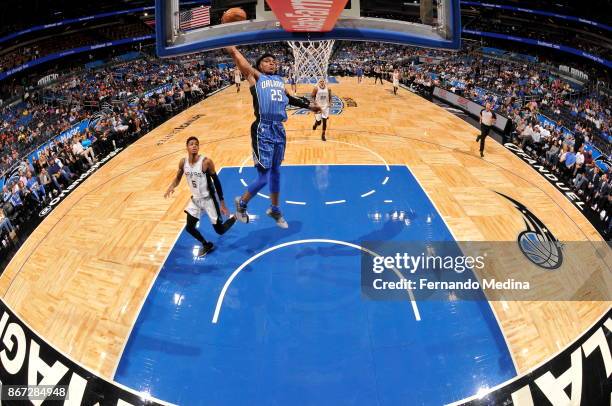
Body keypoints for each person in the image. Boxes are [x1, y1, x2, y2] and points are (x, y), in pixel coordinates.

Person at [224, 46, 321, 228]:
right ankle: (242, 203)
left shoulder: (278, 80)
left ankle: (275, 209)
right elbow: (244, 66)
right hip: (262, 128)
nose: (272, 63)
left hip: (278, 129)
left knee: (276, 172)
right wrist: (234, 50)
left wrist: (309, 106)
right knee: (264, 176)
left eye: (274, 61)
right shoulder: (256, 78)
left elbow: (290, 99)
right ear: (259, 65)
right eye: (267, 61)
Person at [164, 136, 236, 257]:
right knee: (190, 228)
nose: (194, 146)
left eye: (196, 144)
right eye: (191, 144)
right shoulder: (183, 162)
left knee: (220, 230)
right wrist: (172, 186)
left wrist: (222, 203)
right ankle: (207, 244)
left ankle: (235, 217)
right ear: (187, 147)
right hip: (196, 200)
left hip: (209, 200)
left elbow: (217, 183)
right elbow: (178, 177)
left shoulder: (206, 162)